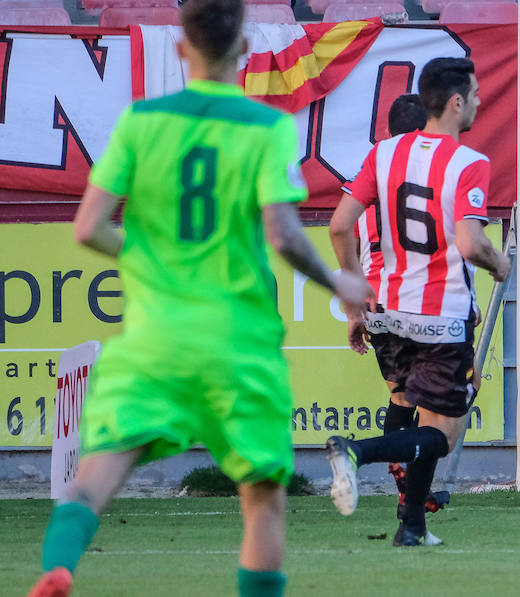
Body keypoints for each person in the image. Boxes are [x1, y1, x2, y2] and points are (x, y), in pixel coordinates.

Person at [26, 2, 370, 596]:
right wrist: (336, 281)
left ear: (182, 51)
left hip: (156, 339)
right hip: (238, 344)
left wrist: (148, 256)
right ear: (243, 48)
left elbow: (88, 227)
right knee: (262, 499)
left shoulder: (142, 123)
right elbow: (283, 234)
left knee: (93, 478)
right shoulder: (266, 129)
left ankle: (59, 568)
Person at [327, 57, 510, 547]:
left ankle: (412, 527)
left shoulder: (384, 154)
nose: (476, 102)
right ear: (455, 102)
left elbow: (339, 225)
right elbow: (471, 244)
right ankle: (354, 451)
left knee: (409, 407)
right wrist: (498, 265)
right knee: (442, 434)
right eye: (473, 95)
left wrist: (353, 301)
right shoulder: (469, 163)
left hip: (384, 311)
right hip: (440, 317)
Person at [344, 93, 450, 515]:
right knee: (445, 403)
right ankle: (386, 471)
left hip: (376, 303)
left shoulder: (366, 176)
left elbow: (346, 239)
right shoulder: (430, 171)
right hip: (418, 298)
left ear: (387, 131)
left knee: (402, 399)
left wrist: (355, 308)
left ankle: (409, 494)